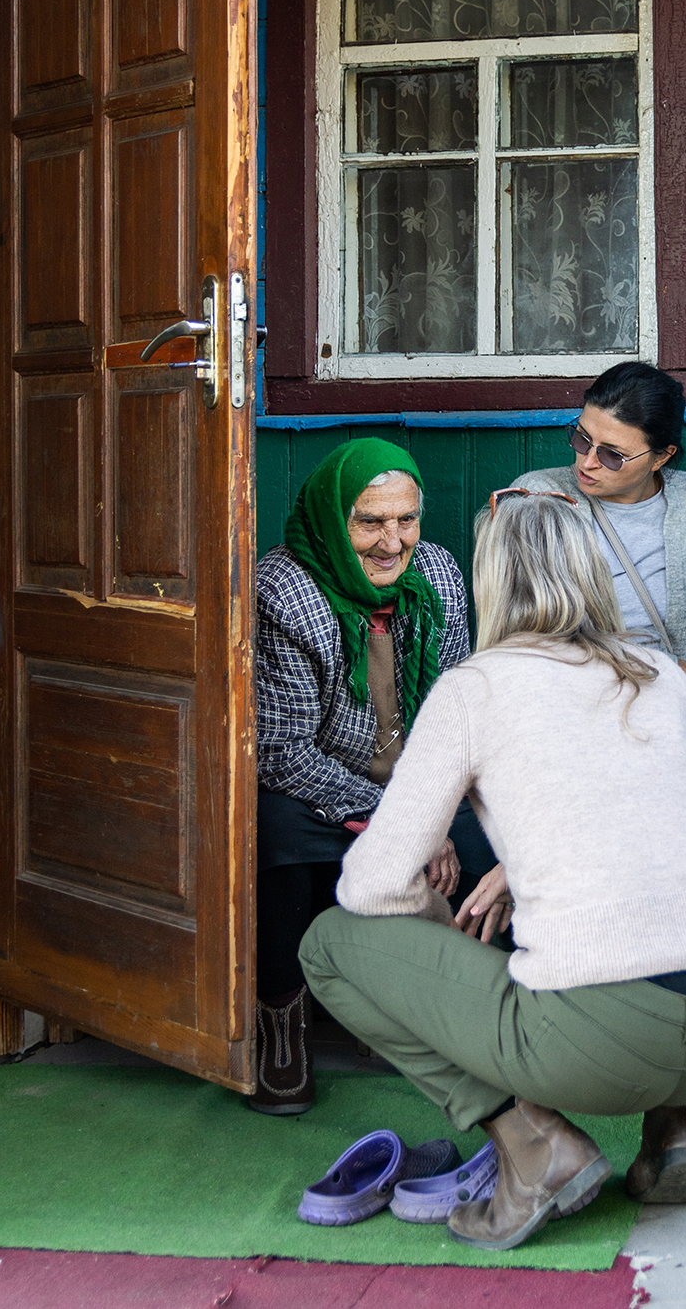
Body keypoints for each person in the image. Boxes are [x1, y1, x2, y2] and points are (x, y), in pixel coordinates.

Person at [299, 492, 686, 1250]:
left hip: (599, 1041)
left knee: (328, 943)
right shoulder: (661, 676)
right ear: (592, 573)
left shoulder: (475, 689)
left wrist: (438, 924)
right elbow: (644, 825)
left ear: (491, 580)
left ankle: (532, 1146)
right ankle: (678, 1129)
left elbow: (369, 884)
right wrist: (522, 869)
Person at [508, 359, 686, 1196]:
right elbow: (527, 641)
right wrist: (680, 678)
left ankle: (670, 1108)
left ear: (664, 457)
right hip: (565, 727)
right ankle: (669, 1110)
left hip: (671, 731)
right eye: (582, 439)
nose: (586, 462)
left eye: (613, 454)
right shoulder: (534, 502)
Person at [253, 436, 482, 1115]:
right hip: (321, 787)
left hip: (420, 780)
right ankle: (281, 1029)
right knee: (278, 842)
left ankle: (403, 1013)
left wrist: (430, 813)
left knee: (490, 850)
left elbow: (456, 712)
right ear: (333, 518)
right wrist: (398, 820)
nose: (392, 542)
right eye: (370, 522)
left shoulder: (436, 576)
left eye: (406, 519)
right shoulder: (287, 591)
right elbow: (284, 752)